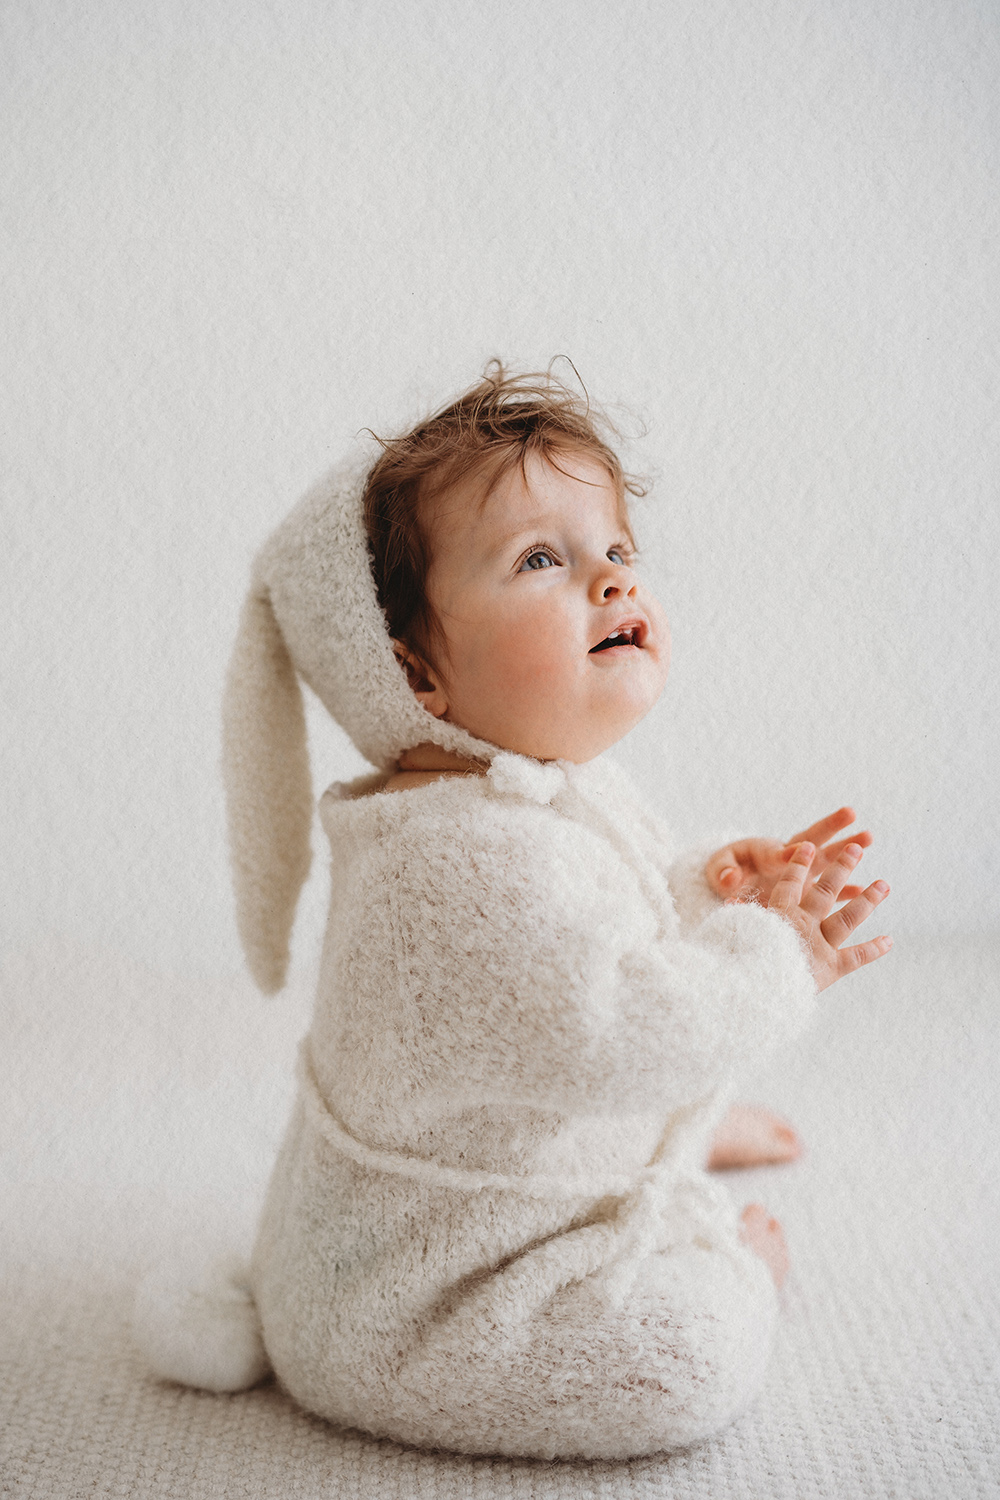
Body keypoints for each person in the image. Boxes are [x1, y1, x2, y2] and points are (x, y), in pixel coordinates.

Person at [135, 364, 891, 1460]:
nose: (611, 582)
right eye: (544, 559)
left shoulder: (510, 793)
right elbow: (610, 1026)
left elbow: (594, 925)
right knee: (684, 1358)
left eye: (618, 552)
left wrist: (709, 886)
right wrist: (773, 953)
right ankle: (732, 1264)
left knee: (632, 1082)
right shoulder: (443, 868)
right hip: (415, 1303)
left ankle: (641, 1145)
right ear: (416, 674)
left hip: (499, 1155)